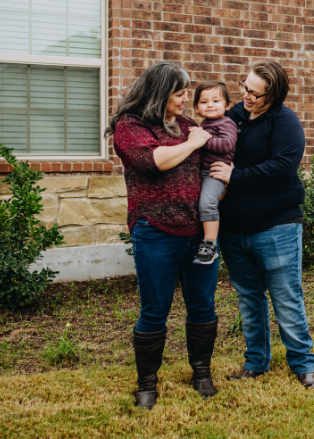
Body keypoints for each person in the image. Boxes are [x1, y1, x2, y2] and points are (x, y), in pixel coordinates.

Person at [105, 61, 220, 410]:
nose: (187, 98)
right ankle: (147, 384)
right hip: (155, 230)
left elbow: (207, 165)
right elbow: (154, 162)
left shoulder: (186, 125)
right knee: (155, 310)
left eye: (186, 92)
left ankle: (201, 372)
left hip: (198, 232)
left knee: (202, 305)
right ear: (160, 93)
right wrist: (195, 140)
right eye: (180, 92)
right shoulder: (130, 126)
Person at [209, 60, 314, 389]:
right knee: (248, 299)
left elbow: (282, 167)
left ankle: (303, 365)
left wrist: (235, 176)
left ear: (273, 95)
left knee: (286, 297)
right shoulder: (233, 118)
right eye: (244, 86)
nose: (246, 95)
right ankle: (256, 363)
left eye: (254, 93)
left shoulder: (285, 122)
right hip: (233, 230)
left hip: (277, 228)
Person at [192, 81, 237, 266]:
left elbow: (226, 144)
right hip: (203, 172)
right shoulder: (205, 124)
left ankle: (210, 246)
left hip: (216, 173)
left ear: (227, 105)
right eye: (204, 102)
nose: (210, 105)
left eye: (216, 100)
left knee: (207, 203)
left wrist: (201, 140)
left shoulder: (226, 123)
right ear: (196, 107)